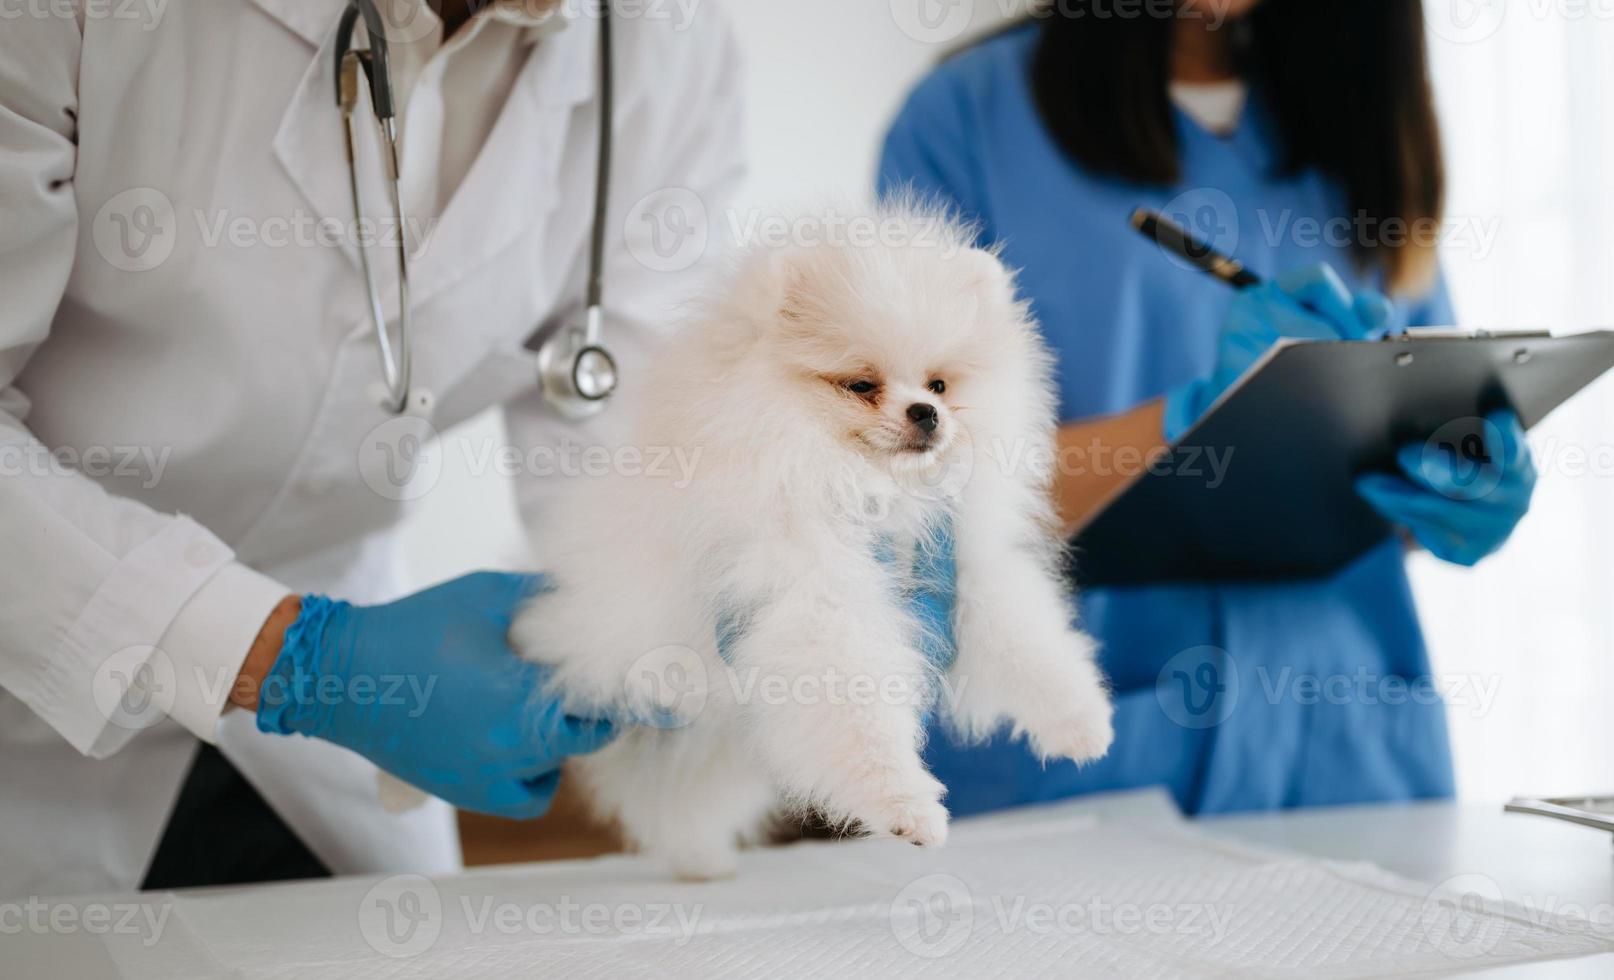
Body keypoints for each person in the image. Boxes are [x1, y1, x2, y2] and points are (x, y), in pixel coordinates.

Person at [0, 0, 752, 897]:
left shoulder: (670, 45)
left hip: (344, 723)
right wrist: (295, 660)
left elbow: (626, 458)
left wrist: (740, 593)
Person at [878, 0, 1537, 817]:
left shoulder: (1366, 114)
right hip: (1077, 769)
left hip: (1353, 756)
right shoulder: (966, 119)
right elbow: (908, 492)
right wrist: (1181, 424)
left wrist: (1452, 481)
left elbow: (1400, 440)